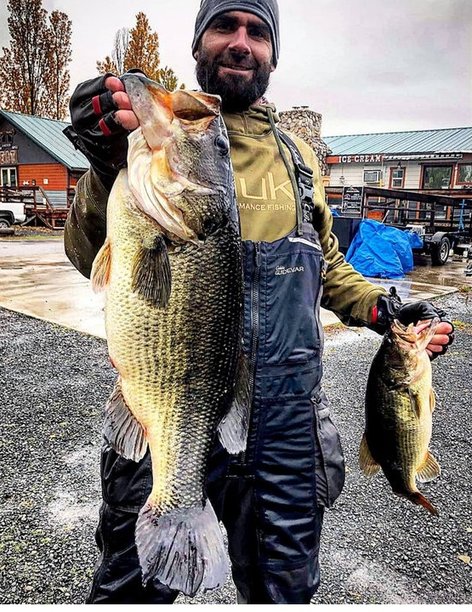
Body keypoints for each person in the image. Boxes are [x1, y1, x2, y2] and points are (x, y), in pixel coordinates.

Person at [63, 0, 454, 604]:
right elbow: (90, 252)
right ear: (198, 44)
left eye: (258, 31)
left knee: (282, 589)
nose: (241, 42)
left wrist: (385, 309)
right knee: (129, 589)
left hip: (285, 422)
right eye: (224, 26)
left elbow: (324, 261)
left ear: (273, 52)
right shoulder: (147, 145)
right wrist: (102, 161)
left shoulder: (298, 157)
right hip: (168, 404)